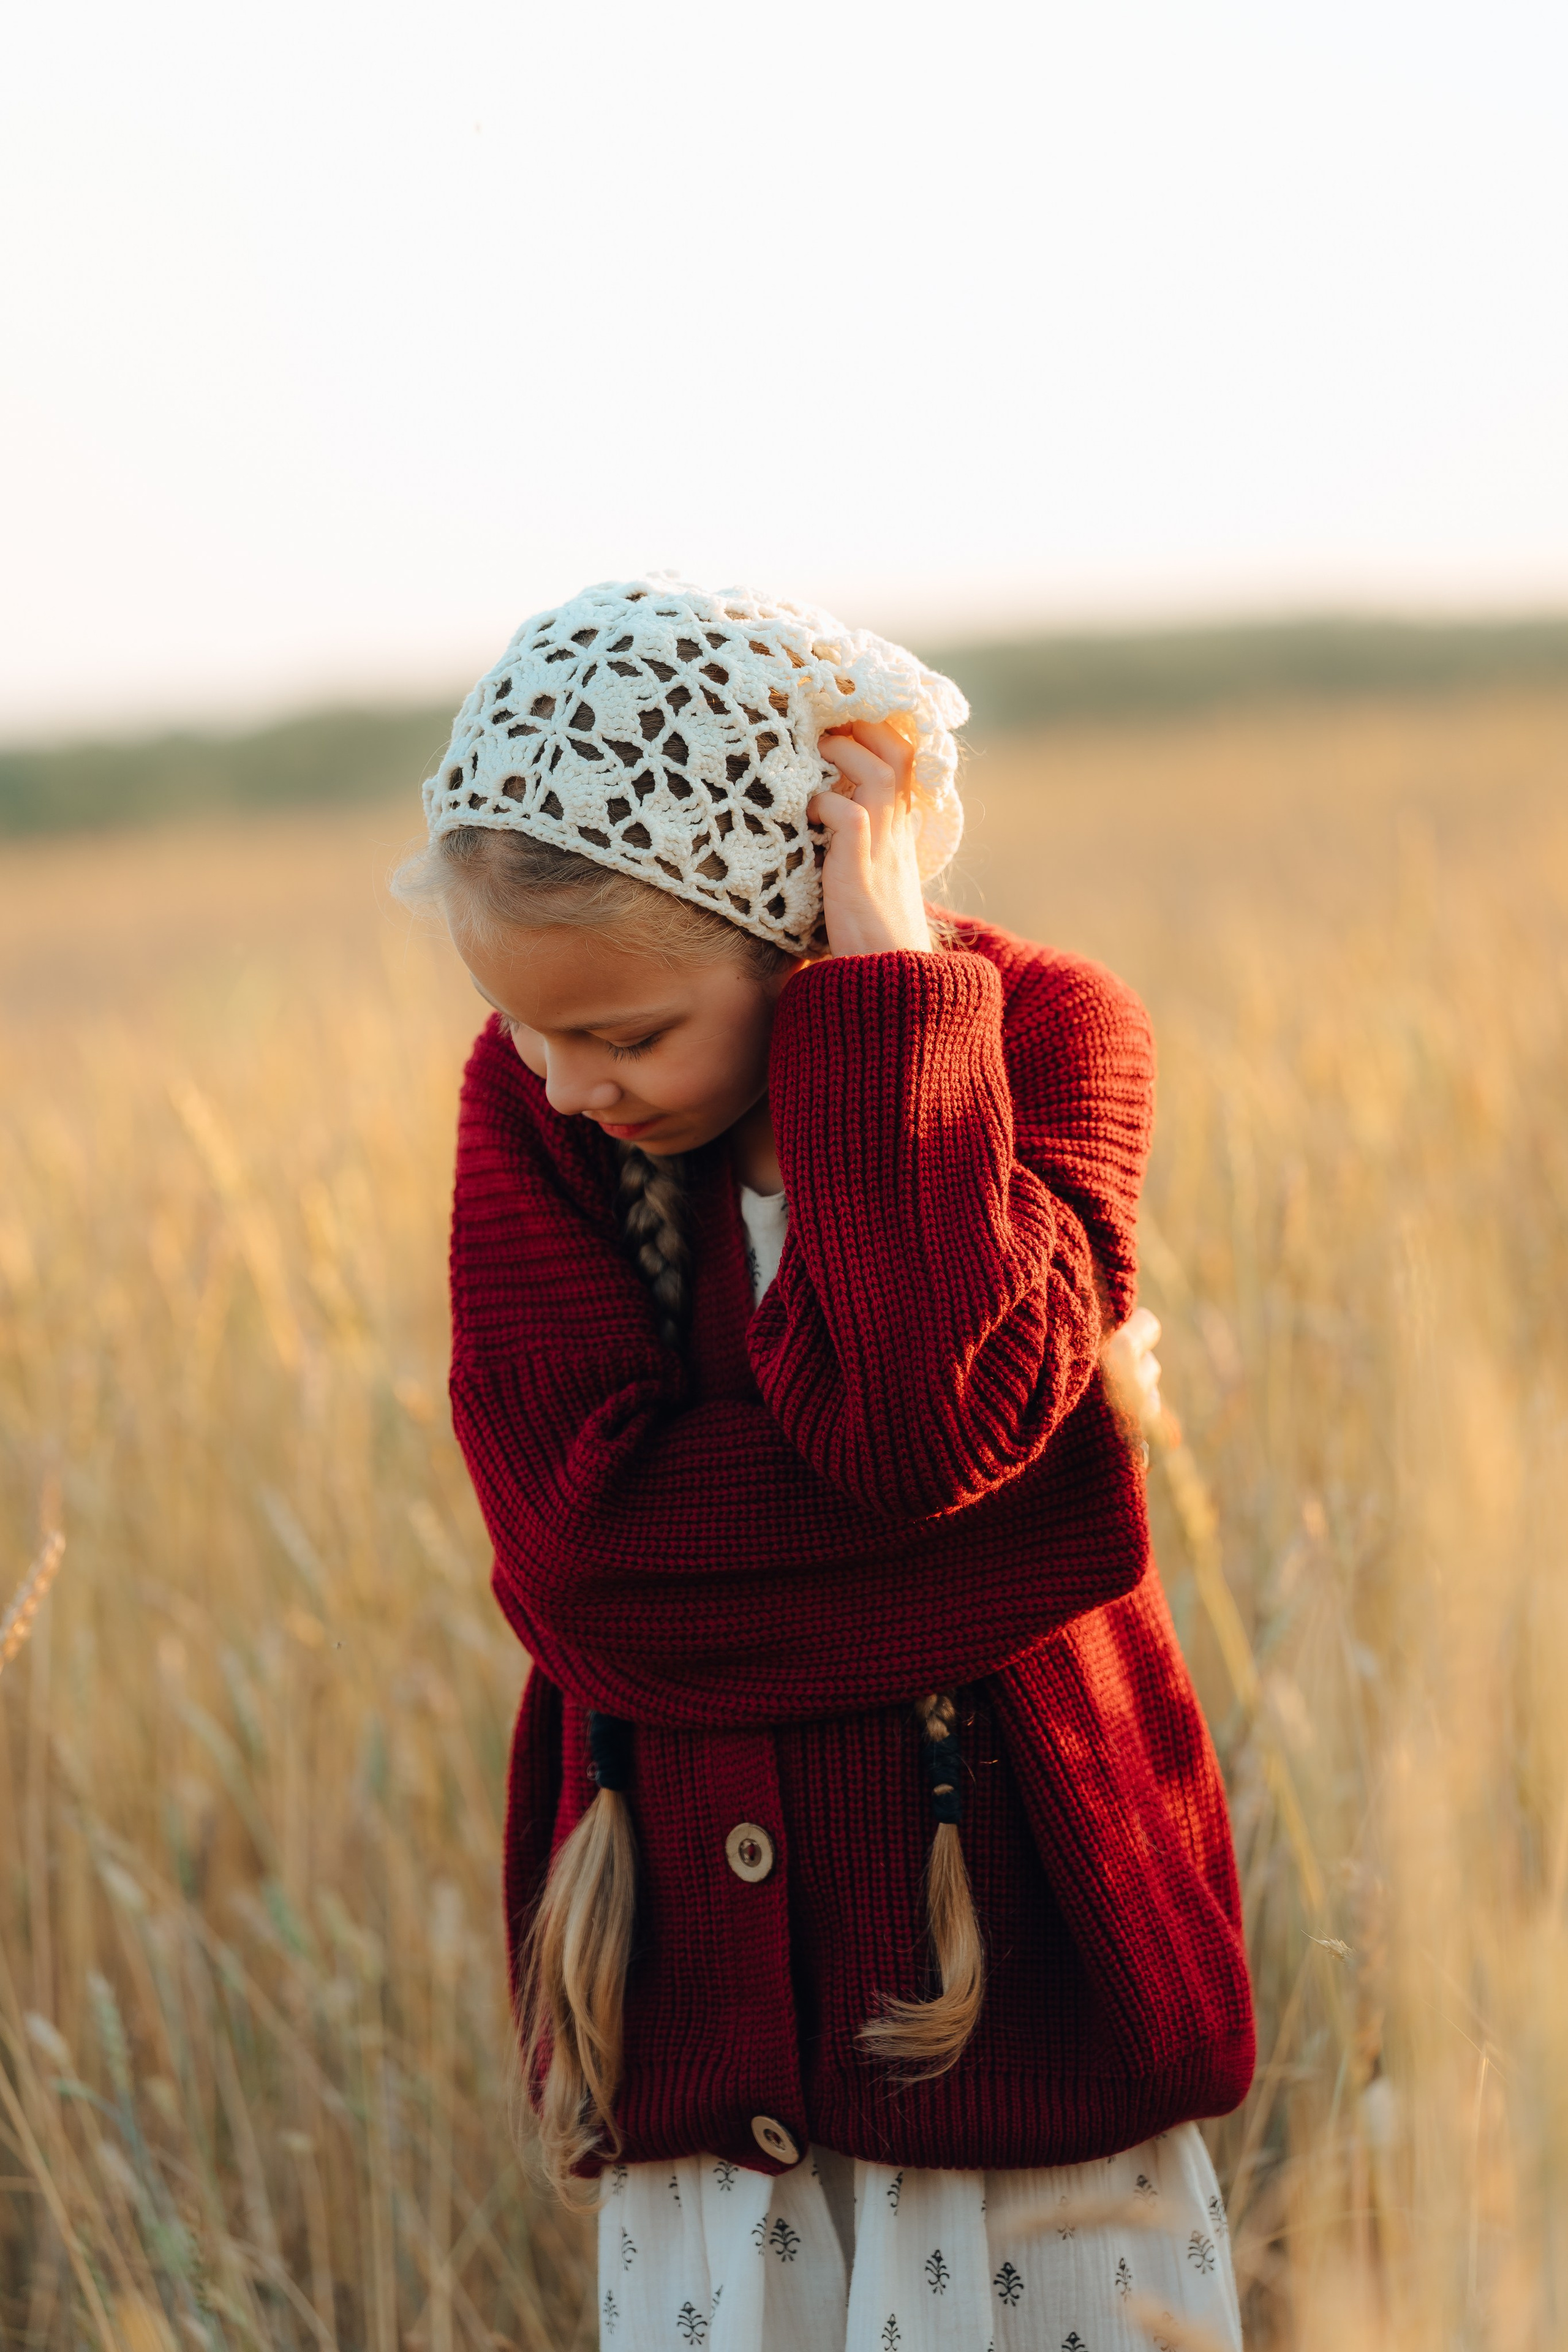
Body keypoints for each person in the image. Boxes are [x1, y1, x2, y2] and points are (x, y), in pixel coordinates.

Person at [396, 576, 1254, 2351]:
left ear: (788, 920)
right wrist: (1044, 1522)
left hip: (1014, 2000)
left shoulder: (1044, 1038)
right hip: (700, 2027)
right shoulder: (532, 1112)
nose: (567, 1088)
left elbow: (923, 1424)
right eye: (532, 1032)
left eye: (625, 1036)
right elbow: (583, 1567)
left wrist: (882, 1013)